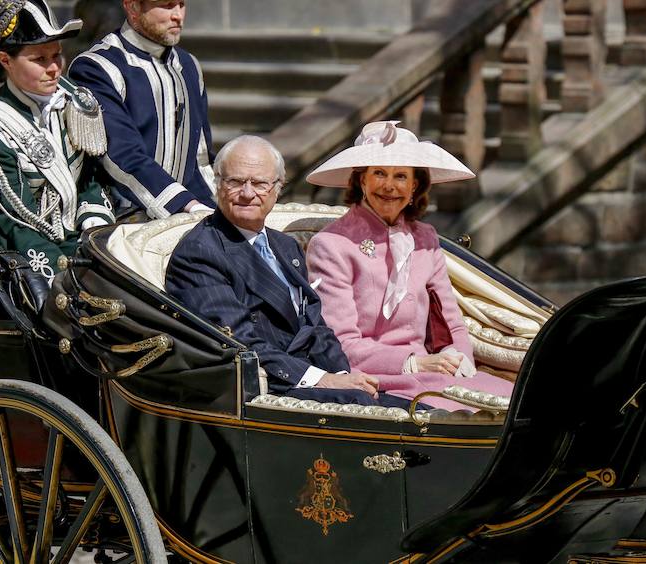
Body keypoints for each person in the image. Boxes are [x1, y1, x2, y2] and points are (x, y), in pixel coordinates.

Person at [165, 136, 414, 407]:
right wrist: (323, 380)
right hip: (265, 389)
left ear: (277, 189)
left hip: (313, 379)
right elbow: (236, 341)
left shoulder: (285, 246)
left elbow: (315, 325)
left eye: (259, 183)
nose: (247, 193)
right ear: (218, 184)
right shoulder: (201, 251)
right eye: (235, 182)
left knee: (422, 407)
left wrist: (341, 373)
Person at [305, 121, 514, 411]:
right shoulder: (331, 244)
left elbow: (451, 321)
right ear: (361, 180)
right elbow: (341, 342)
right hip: (376, 380)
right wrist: (411, 363)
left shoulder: (425, 238)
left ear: (414, 186)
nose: (389, 186)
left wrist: (459, 360)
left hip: (434, 373)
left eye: (401, 176)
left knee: (520, 403)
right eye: (379, 173)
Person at [0, 0, 115, 284]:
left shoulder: (74, 101)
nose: (53, 68)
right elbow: (15, 225)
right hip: (15, 252)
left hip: (77, 239)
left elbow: (90, 179)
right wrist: (66, 272)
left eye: (57, 55)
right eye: (39, 59)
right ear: (5, 61)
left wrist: (95, 227)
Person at [68, 0, 216, 220]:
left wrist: (215, 205)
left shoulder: (189, 65)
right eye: (167, 5)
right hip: (121, 216)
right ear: (133, 7)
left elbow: (201, 159)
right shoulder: (97, 66)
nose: (178, 15)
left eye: (181, 4)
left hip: (189, 213)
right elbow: (121, 154)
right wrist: (186, 204)